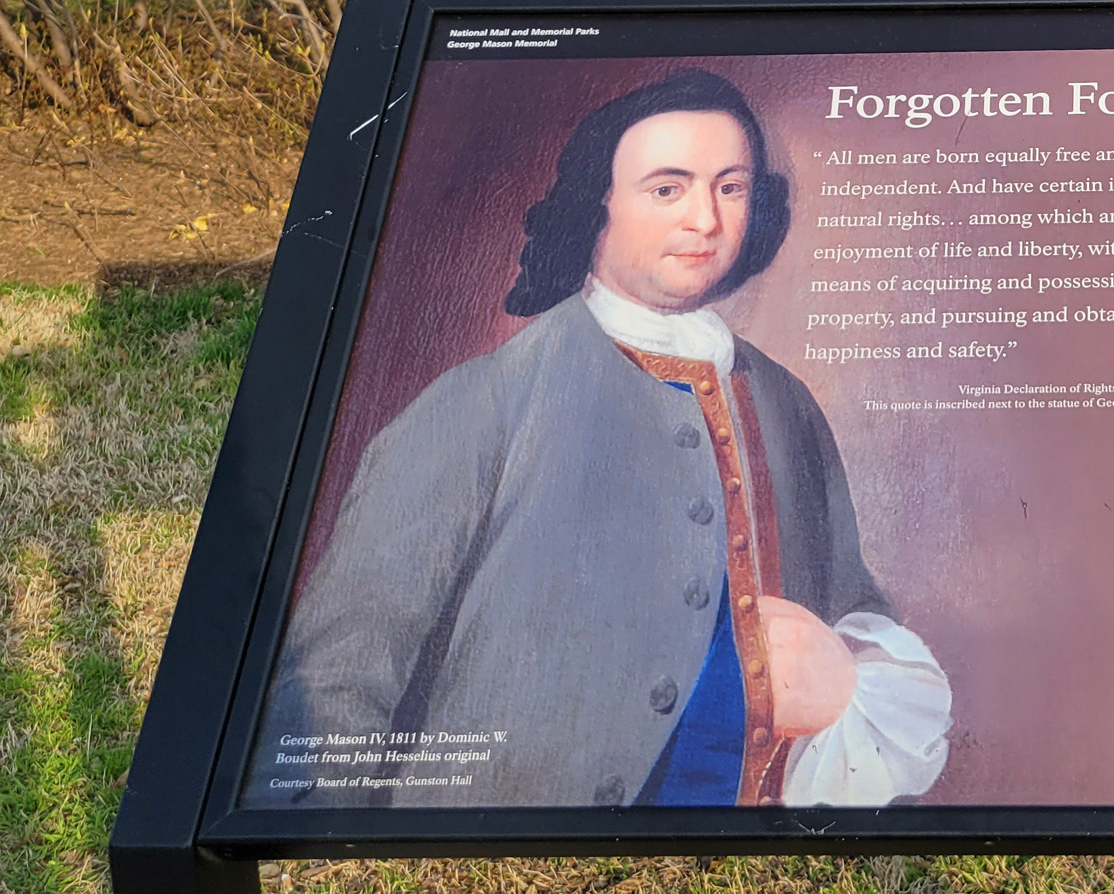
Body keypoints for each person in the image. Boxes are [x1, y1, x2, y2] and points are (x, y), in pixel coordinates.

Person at [255, 70, 950, 810]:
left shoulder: (786, 403)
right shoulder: (485, 401)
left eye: (731, 188)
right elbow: (335, 680)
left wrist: (840, 676)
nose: (705, 220)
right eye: (667, 189)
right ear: (600, 202)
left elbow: (851, 602)